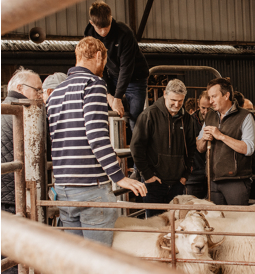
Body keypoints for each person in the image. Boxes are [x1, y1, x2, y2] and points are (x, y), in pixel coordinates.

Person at [46, 37, 147, 246]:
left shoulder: (55, 94)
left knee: (77, 257)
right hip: (91, 187)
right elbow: (97, 136)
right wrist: (119, 177)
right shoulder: (94, 84)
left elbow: (55, 138)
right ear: (99, 56)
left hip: (64, 187)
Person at [131, 79, 196, 217]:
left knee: (176, 224)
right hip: (154, 183)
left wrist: (185, 176)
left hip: (177, 183)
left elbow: (191, 147)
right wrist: (147, 175)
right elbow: (136, 147)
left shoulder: (187, 119)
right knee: (156, 225)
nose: (177, 104)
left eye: (180, 100)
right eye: (173, 100)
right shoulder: (149, 115)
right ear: (165, 95)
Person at [84, 1, 149, 131]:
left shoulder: (124, 33)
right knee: (103, 111)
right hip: (112, 76)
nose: (103, 32)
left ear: (111, 18)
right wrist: (108, 93)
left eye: (106, 27)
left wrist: (118, 97)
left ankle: (136, 150)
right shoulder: (90, 35)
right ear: (92, 23)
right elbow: (98, 66)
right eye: (99, 28)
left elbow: (126, 67)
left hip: (135, 77)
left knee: (135, 117)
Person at [196, 78, 255, 205]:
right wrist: (203, 140)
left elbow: (248, 148)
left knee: (236, 221)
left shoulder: (245, 116)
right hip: (213, 180)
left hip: (236, 181)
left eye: (214, 96)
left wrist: (221, 136)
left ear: (226, 95)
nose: (210, 101)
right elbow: (200, 147)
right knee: (215, 221)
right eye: (209, 97)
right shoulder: (210, 116)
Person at [2, 67, 43, 217]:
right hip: (12, 197)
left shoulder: (6, 109)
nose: (40, 95)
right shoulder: (25, 113)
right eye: (37, 90)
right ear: (19, 88)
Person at [186, 91, 211, 198]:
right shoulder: (189, 121)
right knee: (193, 208)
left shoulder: (218, 120)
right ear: (198, 104)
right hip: (195, 174)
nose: (206, 111)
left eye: (209, 108)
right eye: (203, 108)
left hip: (213, 175)